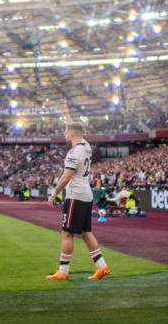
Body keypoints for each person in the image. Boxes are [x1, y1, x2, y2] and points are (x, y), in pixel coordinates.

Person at [46, 101, 110, 281]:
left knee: (67, 233)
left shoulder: (74, 153)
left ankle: (63, 272)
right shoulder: (86, 145)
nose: (65, 134)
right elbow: (75, 127)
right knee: (86, 232)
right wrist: (67, 115)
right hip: (86, 195)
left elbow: (66, 177)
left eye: (66, 132)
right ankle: (102, 267)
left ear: (71, 133)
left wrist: (54, 194)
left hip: (75, 196)